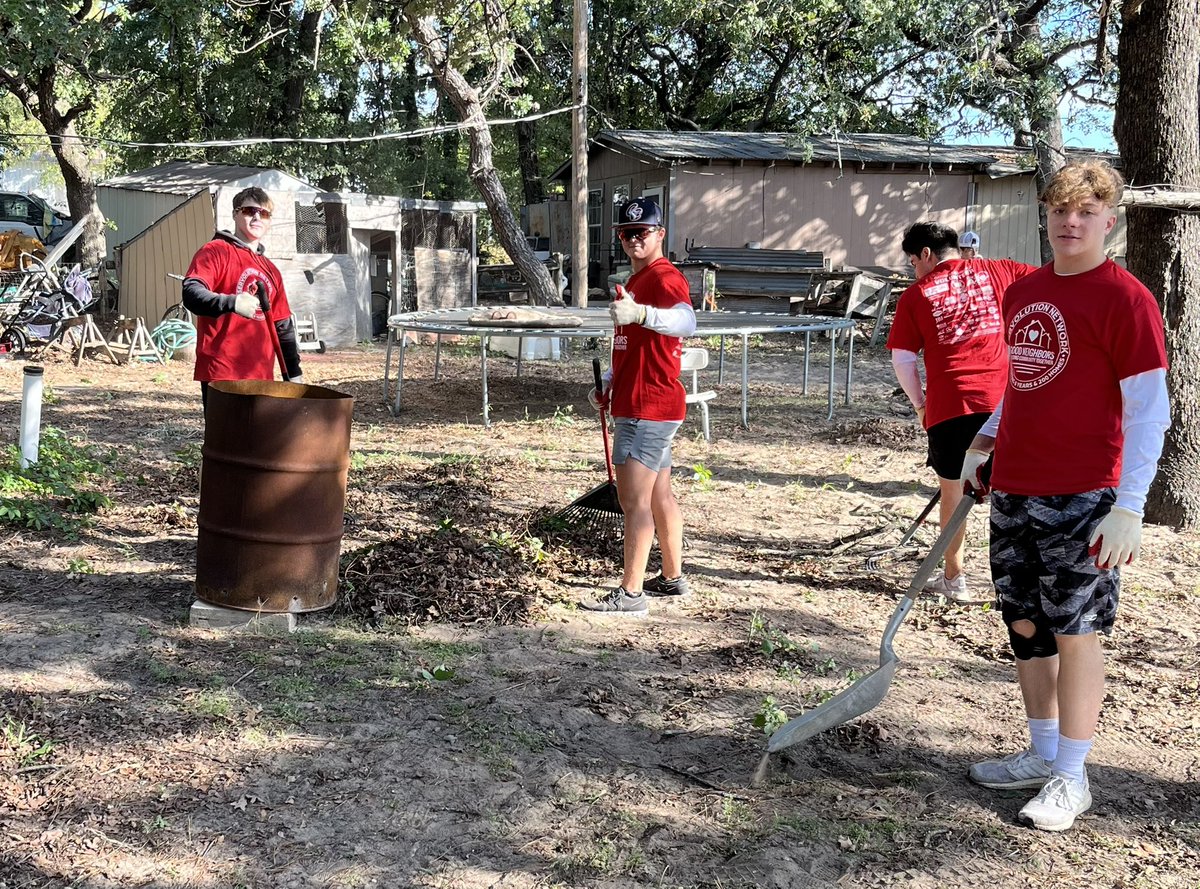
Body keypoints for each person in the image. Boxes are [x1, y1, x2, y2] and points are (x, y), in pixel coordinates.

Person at [959, 160, 1169, 832]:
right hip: (1016, 490)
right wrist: (986, 442)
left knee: (1077, 633)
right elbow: (1023, 382)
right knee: (1024, 626)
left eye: (1086, 211)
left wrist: (1130, 503)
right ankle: (1042, 752)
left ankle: (1072, 776)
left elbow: (1148, 410)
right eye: (1059, 210)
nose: (1070, 222)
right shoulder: (1025, 291)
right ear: (1045, 217)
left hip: (1085, 499)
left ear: (1110, 220)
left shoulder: (1126, 299)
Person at [887, 222, 1037, 603]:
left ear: (925, 254)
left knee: (953, 495)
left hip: (951, 403)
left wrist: (920, 404)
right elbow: (1049, 284)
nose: (913, 270)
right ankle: (1023, 582)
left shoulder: (917, 294)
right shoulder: (1000, 271)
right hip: (1008, 403)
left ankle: (955, 579)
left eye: (912, 261)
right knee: (1017, 493)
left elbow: (903, 359)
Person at [581, 197, 697, 616]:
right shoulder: (632, 284)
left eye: (642, 232)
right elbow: (626, 346)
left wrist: (641, 313)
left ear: (659, 234)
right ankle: (672, 578)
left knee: (634, 504)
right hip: (639, 401)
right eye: (627, 234)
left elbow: (686, 322)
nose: (634, 239)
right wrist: (608, 383)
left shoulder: (664, 278)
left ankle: (630, 594)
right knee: (660, 495)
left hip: (648, 407)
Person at [182, 187, 303, 409]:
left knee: (258, 443)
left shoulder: (271, 270)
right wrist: (232, 302)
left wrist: (293, 375)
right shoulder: (215, 251)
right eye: (249, 210)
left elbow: (282, 326)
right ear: (236, 214)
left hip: (261, 376)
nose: (257, 217)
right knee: (223, 443)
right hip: (222, 374)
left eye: (264, 213)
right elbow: (191, 293)